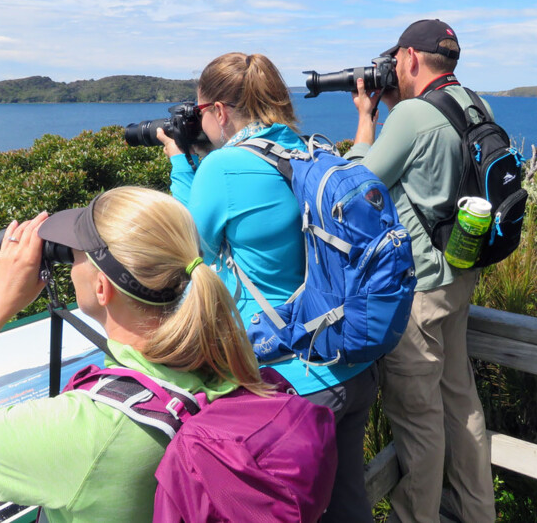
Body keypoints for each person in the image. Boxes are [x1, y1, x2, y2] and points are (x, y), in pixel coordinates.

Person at [0, 187, 275, 522]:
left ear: (101, 287)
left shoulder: (83, 429)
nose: (69, 263)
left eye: (75, 255)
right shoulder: (227, 365)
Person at [157, 52, 378, 522]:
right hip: (349, 364)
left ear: (218, 111)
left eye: (200, 113)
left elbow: (187, 246)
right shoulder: (304, 149)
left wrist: (180, 163)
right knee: (348, 507)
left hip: (289, 379)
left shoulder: (224, 168)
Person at [345, 20, 496, 522]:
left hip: (420, 293)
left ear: (410, 58)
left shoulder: (411, 115)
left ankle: (417, 517)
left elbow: (356, 189)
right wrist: (394, 107)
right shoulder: (475, 103)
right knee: (461, 405)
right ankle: (476, 513)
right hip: (459, 277)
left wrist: (367, 122)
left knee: (419, 421)